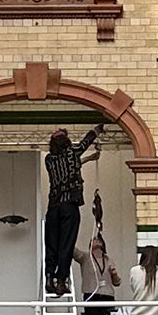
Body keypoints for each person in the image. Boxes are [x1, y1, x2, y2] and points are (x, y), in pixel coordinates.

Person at [42, 126, 99, 304]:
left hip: (53, 207)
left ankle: (49, 278)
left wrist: (89, 159)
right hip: (69, 206)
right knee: (66, 244)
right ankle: (61, 281)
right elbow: (84, 144)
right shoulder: (72, 152)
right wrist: (96, 131)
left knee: (51, 243)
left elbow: (70, 165)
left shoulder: (49, 160)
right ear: (66, 142)